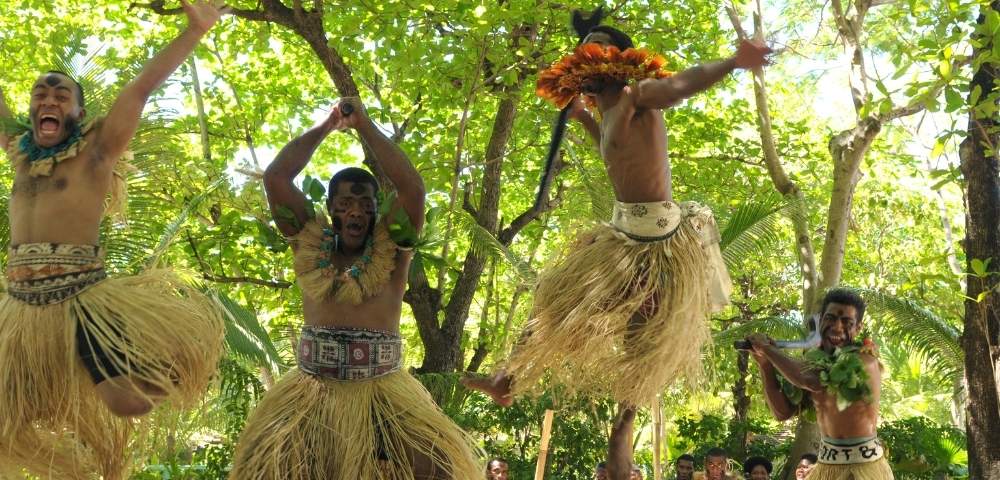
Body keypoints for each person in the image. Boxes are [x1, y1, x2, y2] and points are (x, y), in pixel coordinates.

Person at [464, 7, 769, 409]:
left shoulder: (636, 94)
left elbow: (679, 86)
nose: (593, 49)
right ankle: (506, 379)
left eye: (603, 45)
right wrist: (584, 121)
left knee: (641, 342)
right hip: (624, 233)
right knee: (552, 294)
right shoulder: (607, 113)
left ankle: (626, 425)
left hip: (659, 238)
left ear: (623, 61)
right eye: (587, 46)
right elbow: (618, 158)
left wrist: (733, 62)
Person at [0, 2, 226, 478]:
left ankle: (169, 366)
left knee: (128, 404)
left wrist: (195, 30)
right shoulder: (20, 155)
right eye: (40, 93)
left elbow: (142, 88)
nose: (49, 99)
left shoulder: (98, 152)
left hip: (82, 298)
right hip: (19, 306)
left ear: (79, 113)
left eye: (61, 94)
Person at [228, 97, 481, 479]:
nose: (356, 211)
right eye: (346, 202)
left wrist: (364, 126)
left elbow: (412, 188)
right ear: (330, 207)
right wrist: (328, 125)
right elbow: (276, 178)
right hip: (312, 391)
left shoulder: (395, 248)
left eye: (365, 202)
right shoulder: (305, 240)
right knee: (266, 469)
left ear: (377, 209)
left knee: (438, 471)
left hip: (383, 391)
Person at [747, 288, 893, 479]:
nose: (837, 327)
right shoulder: (814, 363)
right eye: (830, 318)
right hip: (827, 465)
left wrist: (767, 349)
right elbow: (782, 412)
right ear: (820, 319)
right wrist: (765, 364)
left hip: (863, 467)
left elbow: (810, 381)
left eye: (847, 322)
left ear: (858, 328)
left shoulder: (863, 361)